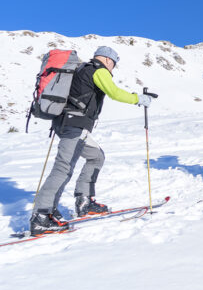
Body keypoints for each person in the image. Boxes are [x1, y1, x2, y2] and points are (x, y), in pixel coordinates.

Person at [30, 46, 153, 236]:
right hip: (74, 126)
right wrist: (138, 99)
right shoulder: (98, 70)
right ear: (108, 60)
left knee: (96, 156)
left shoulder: (82, 69)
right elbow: (114, 93)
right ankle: (41, 217)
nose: (113, 68)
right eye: (114, 64)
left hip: (72, 125)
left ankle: (84, 201)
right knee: (63, 169)